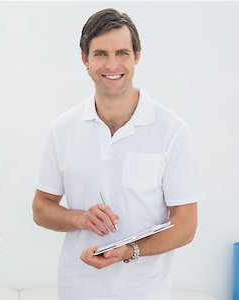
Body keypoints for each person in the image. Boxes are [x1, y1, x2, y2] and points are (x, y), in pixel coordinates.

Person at [32, 8, 204, 300]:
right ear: (85, 59)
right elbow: (40, 208)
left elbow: (186, 225)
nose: (112, 65)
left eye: (122, 53)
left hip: (145, 291)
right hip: (78, 288)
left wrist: (130, 250)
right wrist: (81, 218)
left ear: (137, 56)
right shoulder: (63, 129)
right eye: (100, 54)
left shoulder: (171, 130)